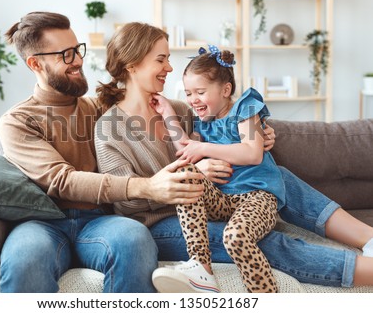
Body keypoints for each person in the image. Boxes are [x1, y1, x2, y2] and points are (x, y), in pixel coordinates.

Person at [94, 21, 373, 293]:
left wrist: (263, 135)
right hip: (163, 222)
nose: (169, 67)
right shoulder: (109, 127)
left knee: (276, 175)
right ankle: (363, 270)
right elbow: (126, 201)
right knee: (257, 241)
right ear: (132, 65)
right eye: (161, 60)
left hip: (219, 199)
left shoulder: (180, 108)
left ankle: (367, 236)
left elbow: (221, 131)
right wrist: (196, 171)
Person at [0, 11, 209, 293]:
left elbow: (143, 96)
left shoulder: (98, 108)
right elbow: (62, 180)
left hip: (100, 222)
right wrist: (147, 187)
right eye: (66, 55)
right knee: (24, 259)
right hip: (42, 224)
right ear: (35, 63)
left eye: (78, 50)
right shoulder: (18, 121)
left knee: (134, 239)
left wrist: (245, 128)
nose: (79, 61)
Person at [149, 46, 284, 293]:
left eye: (200, 92)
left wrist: (205, 148)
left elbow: (252, 153)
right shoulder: (203, 122)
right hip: (222, 199)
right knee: (184, 175)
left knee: (235, 237)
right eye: (189, 93)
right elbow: (186, 150)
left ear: (226, 90)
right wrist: (167, 112)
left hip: (257, 196)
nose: (193, 100)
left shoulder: (245, 109)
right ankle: (201, 268)